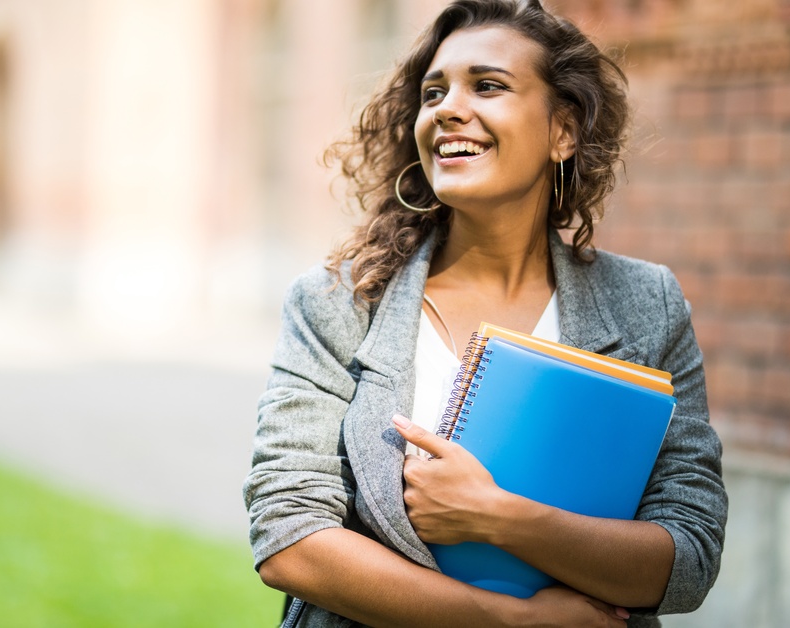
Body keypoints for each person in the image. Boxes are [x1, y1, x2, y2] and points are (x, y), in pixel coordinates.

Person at [243, 1, 728, 626]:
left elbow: (689, 558)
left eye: (489, 86)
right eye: (433, 92)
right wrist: (508, 620)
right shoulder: (340, 301)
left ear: (564, 130)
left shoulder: (647, 305)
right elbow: (288, 538)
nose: (447, 108)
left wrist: (498, 516)